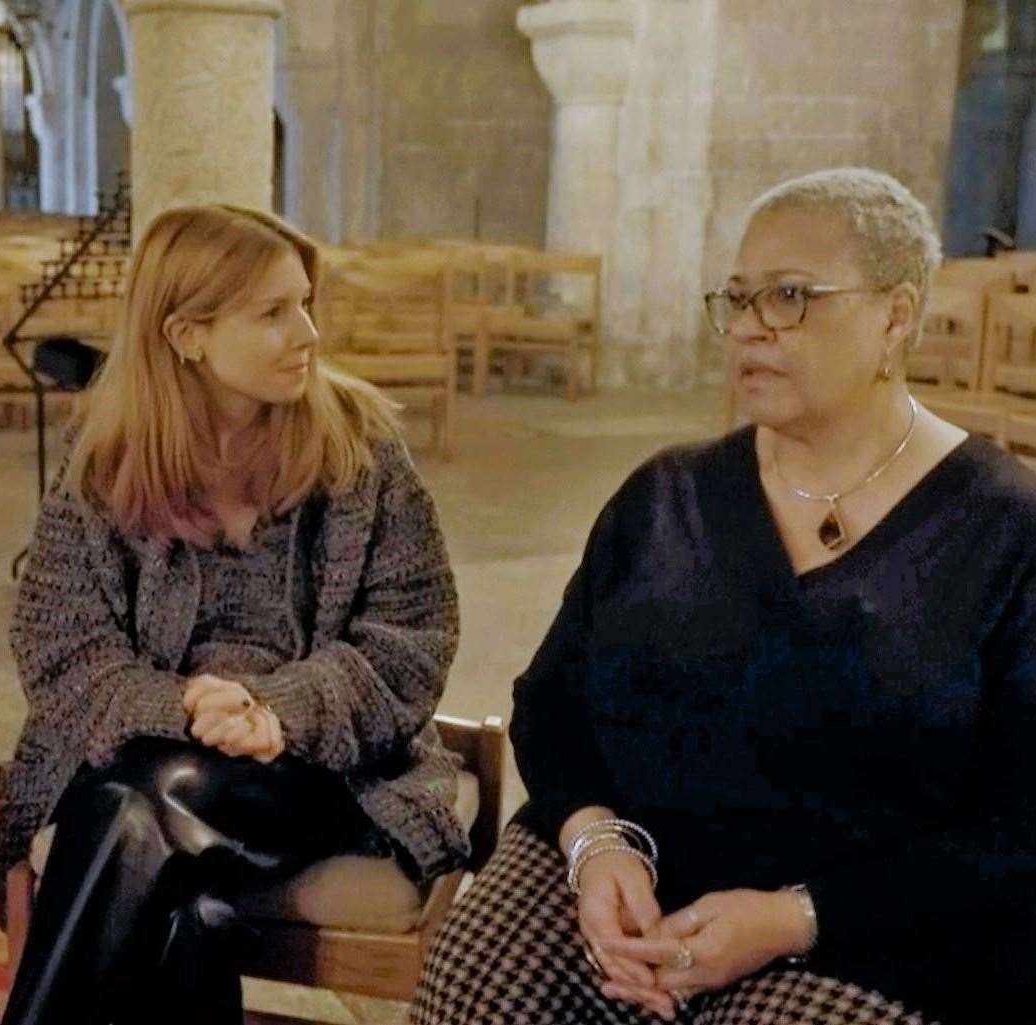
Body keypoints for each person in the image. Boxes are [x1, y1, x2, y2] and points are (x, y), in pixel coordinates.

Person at [413, 167, 1036, 1025]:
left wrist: (791, 917)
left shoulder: (1005, 528)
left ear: (895, 314)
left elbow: (1019, 828)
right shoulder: (666, 493)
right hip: (627, 872)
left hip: (869, 918)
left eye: (788, 297)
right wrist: (593, 845)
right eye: (736, 299)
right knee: (480, 985)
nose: (747, 328)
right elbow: (552, 703)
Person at [0, 204, 470, 1025]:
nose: (309, 332)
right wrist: (181, 704)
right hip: (154, 750)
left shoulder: (359, 447)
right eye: (274, 312)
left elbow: (411, 638)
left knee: (137, 799)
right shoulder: (104, 455)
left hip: (330, 770)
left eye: (306, 303)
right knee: (189, 918)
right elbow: (58, 640)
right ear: (187, 335)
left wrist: (277, 712)